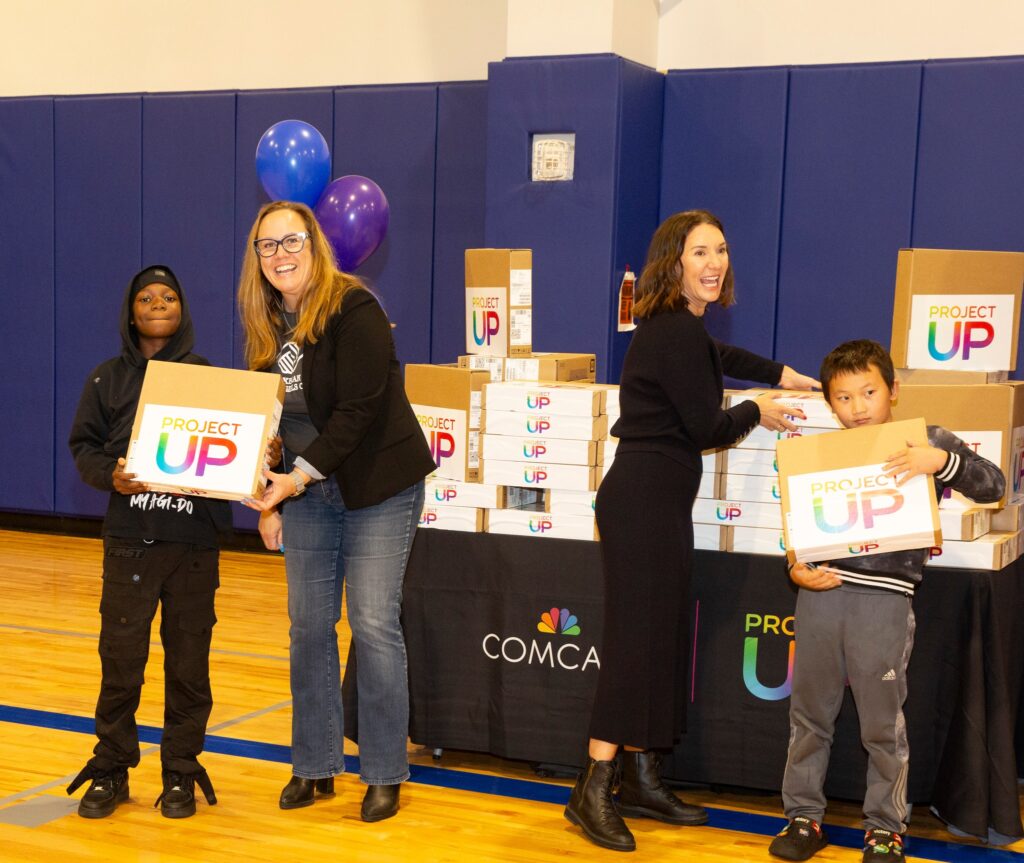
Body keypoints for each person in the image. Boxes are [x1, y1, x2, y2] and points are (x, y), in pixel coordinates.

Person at [564, 210, 820, 852]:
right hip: (643, 502)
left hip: (658, 502)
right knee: (635, 641)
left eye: (722, 251)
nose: (714, 263)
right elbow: (707, 426)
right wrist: (758, 410)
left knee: (663, 637)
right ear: (673, 262)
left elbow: (719, 355)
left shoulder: (683, 329)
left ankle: (646, 775)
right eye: (700, 252)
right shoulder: (673, 331)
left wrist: (778, 373)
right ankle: (592, 787)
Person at [768, 339, 1005, 863]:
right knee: (809, 715)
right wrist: (795, 569)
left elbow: (994, 484)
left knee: (882, 722)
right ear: (831, 403)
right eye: (844, 398)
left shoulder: (925, 441)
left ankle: (884, 827)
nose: (858, 408)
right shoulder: (820, 454)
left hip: (886, 599)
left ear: (893, 391)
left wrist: (939, 461)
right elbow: (796, 532)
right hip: (822, 596)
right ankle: (803, 818)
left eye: (869, 392)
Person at [238, 201, 435, 823]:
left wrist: (292, 480)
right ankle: (315, 764)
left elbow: (358, 411)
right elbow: (272, 421)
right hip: (305, 494)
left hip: (377, 486)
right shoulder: (267, 322)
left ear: (314, 243)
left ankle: (383, 771)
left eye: (290, 241)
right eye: (267, 246)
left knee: (374, 626)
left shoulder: (354, 308)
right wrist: (265, 487)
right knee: (307, 627)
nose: (280, 256)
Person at [66, 265, 232, 819]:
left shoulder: (209, 377)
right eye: (145, 296)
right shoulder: (105, 379)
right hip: (130, 544)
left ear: (182, 309)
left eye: (168, 296)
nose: (157, 303)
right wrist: (108, 475)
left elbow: (238, 447)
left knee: (189, 664)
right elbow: (85, 448)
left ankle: (180, 770)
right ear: (130, 311)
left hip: (192, 545)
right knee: (120, 661)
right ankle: (112, 765)